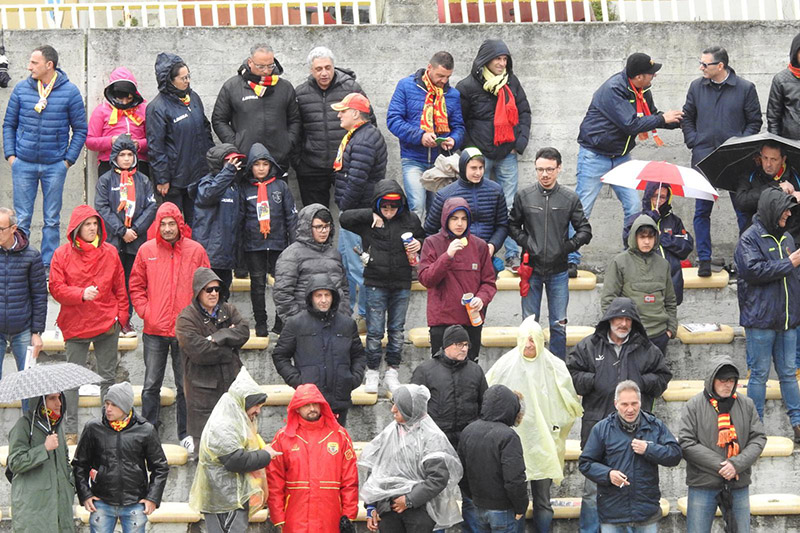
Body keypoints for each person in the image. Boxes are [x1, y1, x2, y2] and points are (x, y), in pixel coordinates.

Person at [567, 296, 672, 533]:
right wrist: (594, 380)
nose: (623, 323)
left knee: (635, 487)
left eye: (628, 319)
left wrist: (641, 382)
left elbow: (663, 377)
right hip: (598, 430)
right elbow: (571, 375)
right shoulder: (588, 346)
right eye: (619, 318)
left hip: (636, 432)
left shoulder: (647, 348)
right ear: (609, 319)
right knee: (593, 490)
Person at [570, 52, 682, 273]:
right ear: (639, 76)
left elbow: (652, 115)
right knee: (582, 209)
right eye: (651, 74)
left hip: (620, 156)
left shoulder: (642, 89)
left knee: (633, 206)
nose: (654, 77)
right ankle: (570, 259)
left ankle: (628, 255)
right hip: (595, 155)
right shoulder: (614, 90)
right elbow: (631, 124)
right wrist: (662, 119)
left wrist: (678, 120)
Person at [485, 317, 583, 533]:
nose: (529, 345)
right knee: (515, 500)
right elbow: (488, 395)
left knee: (543, 501)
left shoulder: (554, 366)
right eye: (525, 339)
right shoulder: (505, 364)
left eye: (533, 339)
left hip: (544, 441)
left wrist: (557, 428)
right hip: (512, 443)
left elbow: (569, 403)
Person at [129, 202, 210, 453]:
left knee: (185, 385)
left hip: (185, 331)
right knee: (151, 384)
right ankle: (148, 431)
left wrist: (198, 319)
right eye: (162, 224)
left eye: (171, 223)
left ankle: (185, 433)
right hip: (154, 331)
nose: (166, 228)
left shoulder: (195, 251)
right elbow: (136, 286)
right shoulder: (146, 250)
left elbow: (208, 287)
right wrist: (146, 312)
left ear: (179, 224)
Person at [3, 44, 88, 270]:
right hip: (23, 164)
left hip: (55, 166)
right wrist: (11, 156)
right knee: (21, 218)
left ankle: (48, 266)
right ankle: (22, 263)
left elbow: (80, 129)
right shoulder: (21, 89)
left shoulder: (70, 92)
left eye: (34, 63)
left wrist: (67, 161)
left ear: (49, 65)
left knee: (52, 219)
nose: (28, 66)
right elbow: (9, 125)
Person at [49, 205, 128, 445]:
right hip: (75, 324)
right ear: (76, 228)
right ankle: (71, 431)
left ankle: (108, 426)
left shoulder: (111, 252)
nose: (92, 228)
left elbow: (120, 286)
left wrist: (121, 317)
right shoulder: (61, 254)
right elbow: (56, 288)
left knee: (106, 379)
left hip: (106, 323)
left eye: (95, 223)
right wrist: (81, 294)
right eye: (87, 224)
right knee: (72, 381)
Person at [682, 45, 763, 276]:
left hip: (736, 161)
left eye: (705, 64)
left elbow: (754, 123)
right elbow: (688, 117)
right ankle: (704, 260)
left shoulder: (745, 88)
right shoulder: (696, 87)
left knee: (743, 212)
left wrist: (739, 147)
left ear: (720, 66)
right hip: (704, 158)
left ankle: (745, 259)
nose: (701, 68)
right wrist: (694, 141)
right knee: (701, 212)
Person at [339, 179, 424, 394]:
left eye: (393, 207)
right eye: (384, 206)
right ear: (377, 205)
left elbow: (425, 235)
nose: (389, 211)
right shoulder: (370, 221)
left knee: (396, 331)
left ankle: (392, 372)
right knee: (375, 332)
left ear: (400, 205)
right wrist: (370, 215)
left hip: (402, 283)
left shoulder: (410, 220)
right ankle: (372, 372)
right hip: (375, 282)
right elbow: (344, 218)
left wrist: (419, 243)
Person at [508, 146, 592, 359]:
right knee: (529, 325)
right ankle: (529, 366)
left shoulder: (569, 198)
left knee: (558, 325)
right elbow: (512, 225)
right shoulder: (524, 196)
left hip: (559, 272)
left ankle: (557, 370)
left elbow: (585, 230)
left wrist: (566, 247)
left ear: (559, 168)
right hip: (531, 270)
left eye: (549, 169)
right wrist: (527, 242)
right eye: (540, 169)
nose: (544, 174)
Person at [456, 38, 531, 271]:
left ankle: (512, 255)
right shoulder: (466, 87)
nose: (502, 63)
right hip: (480, 156)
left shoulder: (512, 82)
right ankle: (477, 252)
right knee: (477, 205)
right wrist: (471, 151)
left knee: (509, 206)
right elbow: (460, 121)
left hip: (507, 153)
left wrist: (518, 144)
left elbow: (524, 112)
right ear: (485, 60)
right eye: (498, 58)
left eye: (505, 59)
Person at [734, 187, 800, 440]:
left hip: (787, 320)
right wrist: (789, 263)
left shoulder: (788, 239)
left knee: (789, 373)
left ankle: (797, 423)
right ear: (772, 209)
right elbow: (753, 271)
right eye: (785, 210)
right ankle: (756, 427)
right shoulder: (748, 239)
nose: (788, 215)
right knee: (759, 375)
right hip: (760, 321)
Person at [411, 324, 486, 531]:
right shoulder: (425, 371)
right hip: (436, 446)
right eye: (459, 344)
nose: (464, 349)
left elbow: (484, 407)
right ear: (446, 346)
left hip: (467, 445)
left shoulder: (476, 371)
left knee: (471, 497)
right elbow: (414, 411)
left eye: (466, 345)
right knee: (437, 497)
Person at [579, 380, 682, 532]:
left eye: (634, 404)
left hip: (646, 512)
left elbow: (675, 454)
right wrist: (608, 474)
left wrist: (649, 449)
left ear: (640, 402)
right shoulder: (601, 429)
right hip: (612, 513)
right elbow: (585, 463)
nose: (630, 409)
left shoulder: (654, 425)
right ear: (616, 404)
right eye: (624, 404)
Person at [359, 384, 464, 533]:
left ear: (411, 409)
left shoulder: (431, 438)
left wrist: (409, 500)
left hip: (419, 511)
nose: (392, 409)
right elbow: (377, 471)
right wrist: (371, 506)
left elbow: (438, 478)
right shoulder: (390, 433)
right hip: (388, 510)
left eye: (399, 406)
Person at [678, 358, 767, 533]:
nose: (727, 385)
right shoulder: (693, 406)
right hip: (703, 483)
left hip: (738, 482)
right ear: (712, 380)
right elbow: (686, 443)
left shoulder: (747, 404)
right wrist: (722, 465)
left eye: (731, 380)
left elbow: (758, 438)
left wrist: (736, 464)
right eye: (722, 380)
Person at [189, 367, 280, 532]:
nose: (258, 411)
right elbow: (235, 461)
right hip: (223, 500)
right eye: (256, 406)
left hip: (232, 497)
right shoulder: (223, 425)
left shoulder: (237, 419)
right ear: (244, 402)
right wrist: (266, 455)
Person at [72, 382, 169, 533]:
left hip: (135, 503)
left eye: (114, 405)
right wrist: (85, 494)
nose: (108, 409)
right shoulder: (93, 428)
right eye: (107, 403)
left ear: (125, 406)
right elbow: (80, 465)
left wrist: (152, 498)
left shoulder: (146, 430)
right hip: (102, 501)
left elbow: (160, 467)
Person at [272, 273, 366, 426]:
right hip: (309, 401)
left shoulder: (347, 324)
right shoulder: (296, 323)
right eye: (318, 295)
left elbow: (359, 356)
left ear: (333, 297)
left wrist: (352, 379)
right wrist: (299, 382)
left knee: (335, 446)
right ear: (311, 297)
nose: (323, 300)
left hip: (339, 399)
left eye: (327, 295)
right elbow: (280, 356)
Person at [267, 384, 359, 532]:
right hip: (295, 519)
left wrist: (348, 515)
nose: (312, 408)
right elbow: (274, 480)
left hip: (330, 518)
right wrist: (278, 516)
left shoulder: (339, 435)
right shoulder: (283, 437)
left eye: (315, 403)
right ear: (296, 408)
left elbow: (350, 480)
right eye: (306, 405)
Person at [176, 267, 250, 448]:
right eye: (209, 289)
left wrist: (219, 337)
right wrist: (229, 349)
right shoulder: (186, 318)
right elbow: (199, 352)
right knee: (205, 450)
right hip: (202, 392)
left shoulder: (229, 309)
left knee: (235, 444)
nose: (214, 293)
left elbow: (244, 332)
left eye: (217, 289)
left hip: (231, 385)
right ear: (198, 292)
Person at [387, 51, 466, 220]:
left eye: (447, 77)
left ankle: (432, 246)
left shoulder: (452, 94)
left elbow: (459, 127)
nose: (443, 81)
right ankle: (416, 246)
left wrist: (453, 139)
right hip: (413, 159)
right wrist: (420, 136)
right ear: (429, 68)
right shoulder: (406, 86)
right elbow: (393, 120)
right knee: (417, 207)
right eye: (440, 75)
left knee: (438, 212)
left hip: (441, 162)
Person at [332, 92, 388, 328]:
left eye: (343, 111)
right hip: (355, 210)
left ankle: (365, 315)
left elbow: (356, 179)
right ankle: (350, 314)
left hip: (357, 212)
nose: (339, 115)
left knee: (358, 268)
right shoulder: (358, 136)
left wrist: (345, 208)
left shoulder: (364, 139)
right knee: (346, 265)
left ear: (355, 113)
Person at [418, 197, 496, 361]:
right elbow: (426, 279)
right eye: (454, 218)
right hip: (442, 322)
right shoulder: (432, 243)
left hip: (471, 321)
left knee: (470, 372)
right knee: (441, 372)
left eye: (463, 218)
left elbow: (489, 282)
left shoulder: (480, 246)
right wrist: (447, 256)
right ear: (446, 219)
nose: (459, 223)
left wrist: (481, 299)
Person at [294, 46, 373, 207]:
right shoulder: (300, 94)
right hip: (311, 168)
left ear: (333, 66)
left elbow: (368, 122)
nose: (324, 73)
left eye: (327, 68)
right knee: (315, 216)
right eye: (319, 69)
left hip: (346, 166)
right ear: (311, 70)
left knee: (352, 213)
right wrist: (298, 161)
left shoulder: (351, 89)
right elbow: (294, 129)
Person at [94, 135, 157, 334]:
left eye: (130, 154)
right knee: (113, 282)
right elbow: (102, 207)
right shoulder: (105, 180)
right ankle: (110, 318)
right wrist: (121, 231)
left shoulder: (143, 180)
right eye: (122, 155)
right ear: (115, 157)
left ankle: (126, 320)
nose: (127, 159)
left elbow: (151, 206)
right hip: (114, 240)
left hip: (136, 241)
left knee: (131, 282)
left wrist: (136, 230)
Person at [146, 52, 214, 224]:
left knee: (198, 223)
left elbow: (206, 129)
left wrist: (211, 163)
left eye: (188, 76)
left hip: (199, 175)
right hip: (175, 180)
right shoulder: (157, 108)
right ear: (170, 80)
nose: (187, 81)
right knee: (173, 224)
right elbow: (156, 146)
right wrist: (162, 178)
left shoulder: (193, 98)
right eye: (183, 78)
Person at [239, 142, 298, 335]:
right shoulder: (245, 189)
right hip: (253, 244)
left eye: (265, 164)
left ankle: (280, 322)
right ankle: (261, 322)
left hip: (278, 243)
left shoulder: (280, 186)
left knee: (281, 285)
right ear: (251, 167)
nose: (261, 168)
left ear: (271, 165)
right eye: (257, 164)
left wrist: (293, 244)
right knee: (257, 284)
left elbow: (291, 216)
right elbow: (239, 218)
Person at [212, 44, 300, 170]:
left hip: (278, 161)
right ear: (250, 62)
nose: (266, 71)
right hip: (245, 161)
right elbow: (219, 120)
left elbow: (295, 119)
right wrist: (236, 145)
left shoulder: (285, 87)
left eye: (270, 66)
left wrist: (287, 143)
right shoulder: (232, 86)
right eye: (260, 66)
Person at [601, 214, 677, 356]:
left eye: (650, 237)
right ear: (634, 238)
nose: (647, 241)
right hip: (631, 335)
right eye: (642, 237)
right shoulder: (619, 262)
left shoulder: (663, 264)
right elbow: (608, 300)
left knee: (655, 377)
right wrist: (617, 331)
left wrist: (670, 330)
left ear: (656, 238)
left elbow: (670, 301)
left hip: (659, 334)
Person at [458, 384, 528, 533]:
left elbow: (460, 471)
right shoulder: (508, 436)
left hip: (478, 505)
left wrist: (473, 496)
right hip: (503, 509)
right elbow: (514, 479)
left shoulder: (468, 430)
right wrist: (521, 506)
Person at [424, 148, 509, 269]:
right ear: (463, 167)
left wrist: (492, 246)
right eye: (473, 168)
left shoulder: (495, 190)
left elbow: (502, 225)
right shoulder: (445, 194)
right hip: (455, 262)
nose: (478, 173)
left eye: (481, 168)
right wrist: (444, 254)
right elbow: (430, 230)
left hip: (485, 258)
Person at [8, 392, 75, 533]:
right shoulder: (24, 425)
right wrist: (44, 448)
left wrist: (69, 485)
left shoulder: (57, 426)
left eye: (59, 398)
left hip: (61, 514)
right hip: (34, 514)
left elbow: (65, 461)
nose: (59, 403)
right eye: (52, 398)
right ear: (40, 401)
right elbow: (15, 462)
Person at [273, 203, 350, 322]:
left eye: (327, 226)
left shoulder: (335, 254)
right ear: (307, 227)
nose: (324, 231)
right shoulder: (291, 255)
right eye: (319, 227)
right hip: (304, 327)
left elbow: (344, 289)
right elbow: (282, 294)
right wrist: (299, 323)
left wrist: (344, 315)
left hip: (334, 325)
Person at [188, 144, 245, 303]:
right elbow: (208, 195)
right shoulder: (206, 184)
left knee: (223, 298)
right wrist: (227, 172)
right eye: (230, 162)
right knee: (206, 298)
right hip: (209, 256)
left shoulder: (235, 187)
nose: (234, 166)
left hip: (227, 257)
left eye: (237, 162)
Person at [622, 183, 693, 306]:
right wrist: (650, 219)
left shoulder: (675, 221)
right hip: (643, 280)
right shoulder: (636, 219)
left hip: (670, 280)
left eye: (663, 197)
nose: (659, 201)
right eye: (655, 196)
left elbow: (686, 247)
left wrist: (663, 238)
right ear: (648, 197)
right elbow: (627, 242)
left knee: (669, 318)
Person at [0, 207, 46, 379]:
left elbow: (39, 296)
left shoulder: (32, 256)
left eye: (0, 229)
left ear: (13, 229)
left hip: (23, 329)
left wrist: (37, 332)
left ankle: (28, 408)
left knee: (28, 380)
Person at [86, 66, 149, 177]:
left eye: (129, 98)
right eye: (120, 98)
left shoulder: (143, 110)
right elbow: (89, 141)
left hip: (138, 164)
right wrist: (111, 141)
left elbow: (154, 140)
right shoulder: (101, 111)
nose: (124, 102)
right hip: (109, 165)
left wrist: (138, 144)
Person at [734, 140, 800, 235]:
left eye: (774, 159)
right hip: (757, 233)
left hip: (790, 235)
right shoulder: (750, 175)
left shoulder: (796, 177)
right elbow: (741, 202)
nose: (768, 164)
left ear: (783, 159)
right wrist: (776, 187)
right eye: (765, 158)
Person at [768, 32, 800, 141]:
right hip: (791, 142)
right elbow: (773, 118)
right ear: (795, 53)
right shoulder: (781, 80)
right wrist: (775, 144)